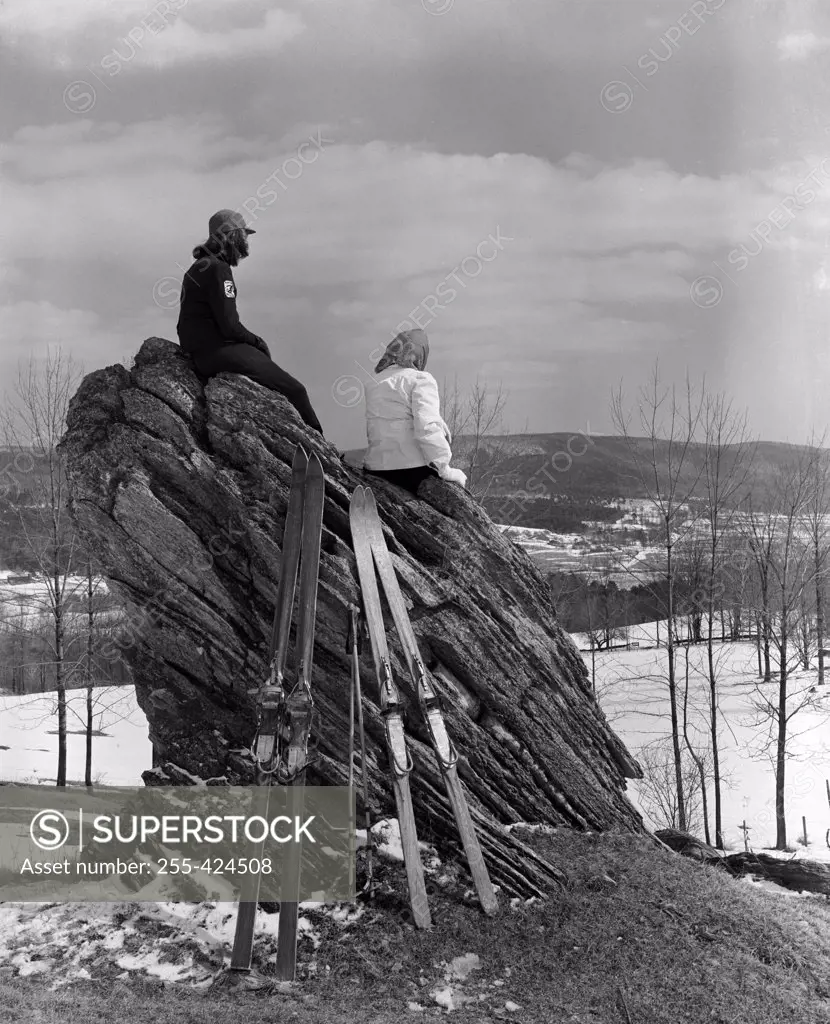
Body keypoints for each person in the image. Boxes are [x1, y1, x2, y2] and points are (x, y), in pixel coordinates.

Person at [176, 209, 324, 435]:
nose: (247, 240)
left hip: (202, 353)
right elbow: (230, 326)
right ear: (231, 235)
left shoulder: (199, 267)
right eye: (245, 234)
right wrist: (257, 342)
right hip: (218, 351)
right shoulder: (218, 268)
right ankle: (322, 453)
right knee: (295, 390)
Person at [363, 328, 467, 495]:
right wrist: (444, 468)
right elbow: (427, 428)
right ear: (420, 354)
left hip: (375, 468)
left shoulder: (373, 383)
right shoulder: (421, 379)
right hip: (412, 472)